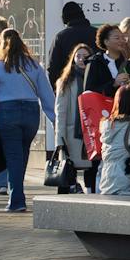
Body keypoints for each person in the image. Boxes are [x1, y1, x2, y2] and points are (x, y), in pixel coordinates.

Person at [0, 29, 51, 213]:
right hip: (31, 112)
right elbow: (46, 95)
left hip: (8, 112)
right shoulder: (34, 66)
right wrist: (54, 120)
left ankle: (17, 201)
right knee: (22, 155)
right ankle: (18, 194)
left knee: (13, 157)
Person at [55, 43, 96, 194]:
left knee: (92, 167)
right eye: (78, 56)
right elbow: (61, 112)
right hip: (72, 134)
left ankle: (91, 193)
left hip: (92, 133)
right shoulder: (65, 82)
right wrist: (60, 139)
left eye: (85, 56)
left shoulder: (96, 79)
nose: (81, 59)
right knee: (70, 169)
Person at [46, 1, 99, 87]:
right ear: (82, 15)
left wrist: (58, 90)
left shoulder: (61, 37)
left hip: (68, 86)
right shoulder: (97, 34)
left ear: (64, 18)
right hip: (96, 86)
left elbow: (53, 68)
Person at [83, 23, 130, 99]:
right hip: (102, 109)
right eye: (117, 38)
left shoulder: (129, 64)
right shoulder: (94, 63)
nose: (122, 41)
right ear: (106, 42)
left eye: (123, 38)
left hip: (123, 109)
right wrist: (114, 84)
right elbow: (88, 92)